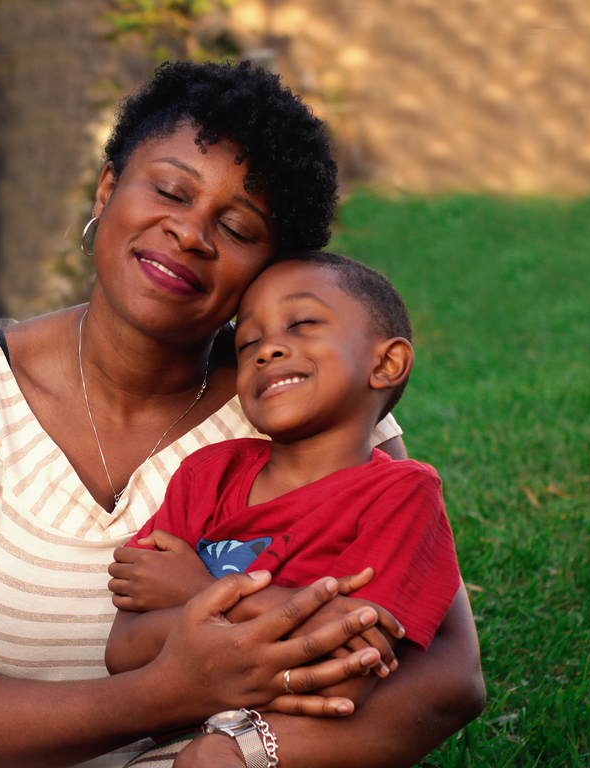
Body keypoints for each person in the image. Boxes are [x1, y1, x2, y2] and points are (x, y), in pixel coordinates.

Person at [0, 60, 485, 768]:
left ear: (268, 271)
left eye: (236, 226)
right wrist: (170, 691)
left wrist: (236, 752)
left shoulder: (302, 405)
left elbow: (448, 677)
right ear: (107, 189)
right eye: (169, 190)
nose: (191, 233)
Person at [105, 252, 464, 766]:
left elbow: (349, 671)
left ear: (386, 364)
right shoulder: (207, 475)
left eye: (303, 324)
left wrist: (197, 593)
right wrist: (307, 623)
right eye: (248, 341)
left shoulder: (402, 494)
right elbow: (125, 651)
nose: (267, 349)